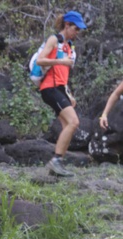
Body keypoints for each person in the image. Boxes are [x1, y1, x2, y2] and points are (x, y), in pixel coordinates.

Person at [36, 10, 87, 177]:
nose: (77, 32)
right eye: (76, 29)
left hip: (60, 89)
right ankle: (56, 161)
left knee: (68, 126)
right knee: (74, 122)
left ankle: (58, 164)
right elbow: (40, 60)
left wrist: (69, 94)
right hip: (49, 88)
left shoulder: (68, 46)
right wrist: (61, 61)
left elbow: (62, 75)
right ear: (67, 25)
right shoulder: (54, 40)